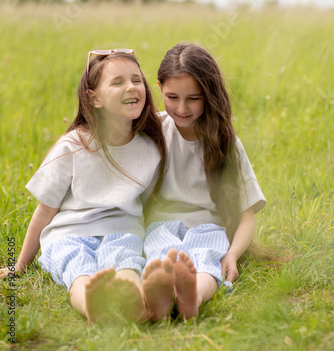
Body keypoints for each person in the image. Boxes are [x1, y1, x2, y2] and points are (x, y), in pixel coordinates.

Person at [0, 48, 166, 325]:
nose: (132, 87)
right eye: (118, 82)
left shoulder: (151, 145)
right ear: (94, 98)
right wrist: (20, 266)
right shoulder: (73, 146)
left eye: (137, 80)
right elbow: (45, 211)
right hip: (69, 234)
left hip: (122, 231)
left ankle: (136, 301)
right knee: (78, 272)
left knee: (127, 264)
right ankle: (91, 304)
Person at [142, 43, 267, 321]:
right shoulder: (153, 131)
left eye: (194, 99)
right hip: (160, 225)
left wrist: (232, 254)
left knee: (208, 261)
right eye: (172, 97)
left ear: (209, 94)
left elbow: (246, 215)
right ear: (159, 87)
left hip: (208, 226)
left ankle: (192, 298)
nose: (182, 108)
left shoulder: (225, 143)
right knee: (159, 257)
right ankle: (160, 296)